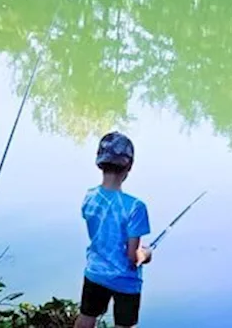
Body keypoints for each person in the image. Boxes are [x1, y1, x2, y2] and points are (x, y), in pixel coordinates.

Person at [75, 132, 152, 328]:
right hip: (125, 281)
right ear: (129, 166)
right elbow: (132, 257)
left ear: (99, 162)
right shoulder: (135, 207)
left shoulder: (89, 196)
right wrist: (146, 254)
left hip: (95, 272)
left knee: (86, 316)